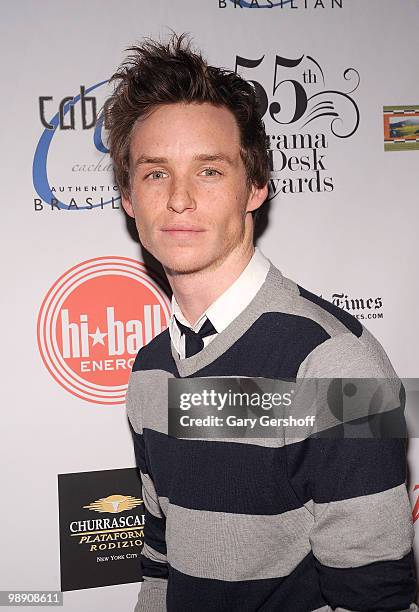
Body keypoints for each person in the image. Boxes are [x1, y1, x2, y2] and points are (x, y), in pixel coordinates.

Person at [106, 33, 417, 611]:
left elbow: (374, 600)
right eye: (154, 173)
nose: (178, 199)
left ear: (256, 187)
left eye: (209, 171)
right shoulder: (150, 369)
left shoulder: (333, 366)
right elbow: (159, 568)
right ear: (127, 197)